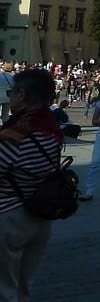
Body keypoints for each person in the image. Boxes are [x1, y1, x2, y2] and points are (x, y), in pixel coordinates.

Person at [0, 69, 63, 301]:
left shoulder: (17, 133)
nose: (10, 97)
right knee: (23, 287)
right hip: (40, 215)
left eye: (12, 92)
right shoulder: (50, 126)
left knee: (4, 288)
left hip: (9, 215)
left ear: (22, 95)